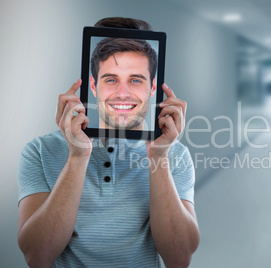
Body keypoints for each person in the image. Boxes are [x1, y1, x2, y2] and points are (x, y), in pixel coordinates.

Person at [17, 17, 200, 268]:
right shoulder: (39, 151)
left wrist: (159, 159)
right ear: (93, 85)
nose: (123, 93)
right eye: (111, 79)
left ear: (153, 87)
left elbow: (179, 259)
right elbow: (37, 257)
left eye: (136, 79)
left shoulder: (174, 154)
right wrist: (77, 157)